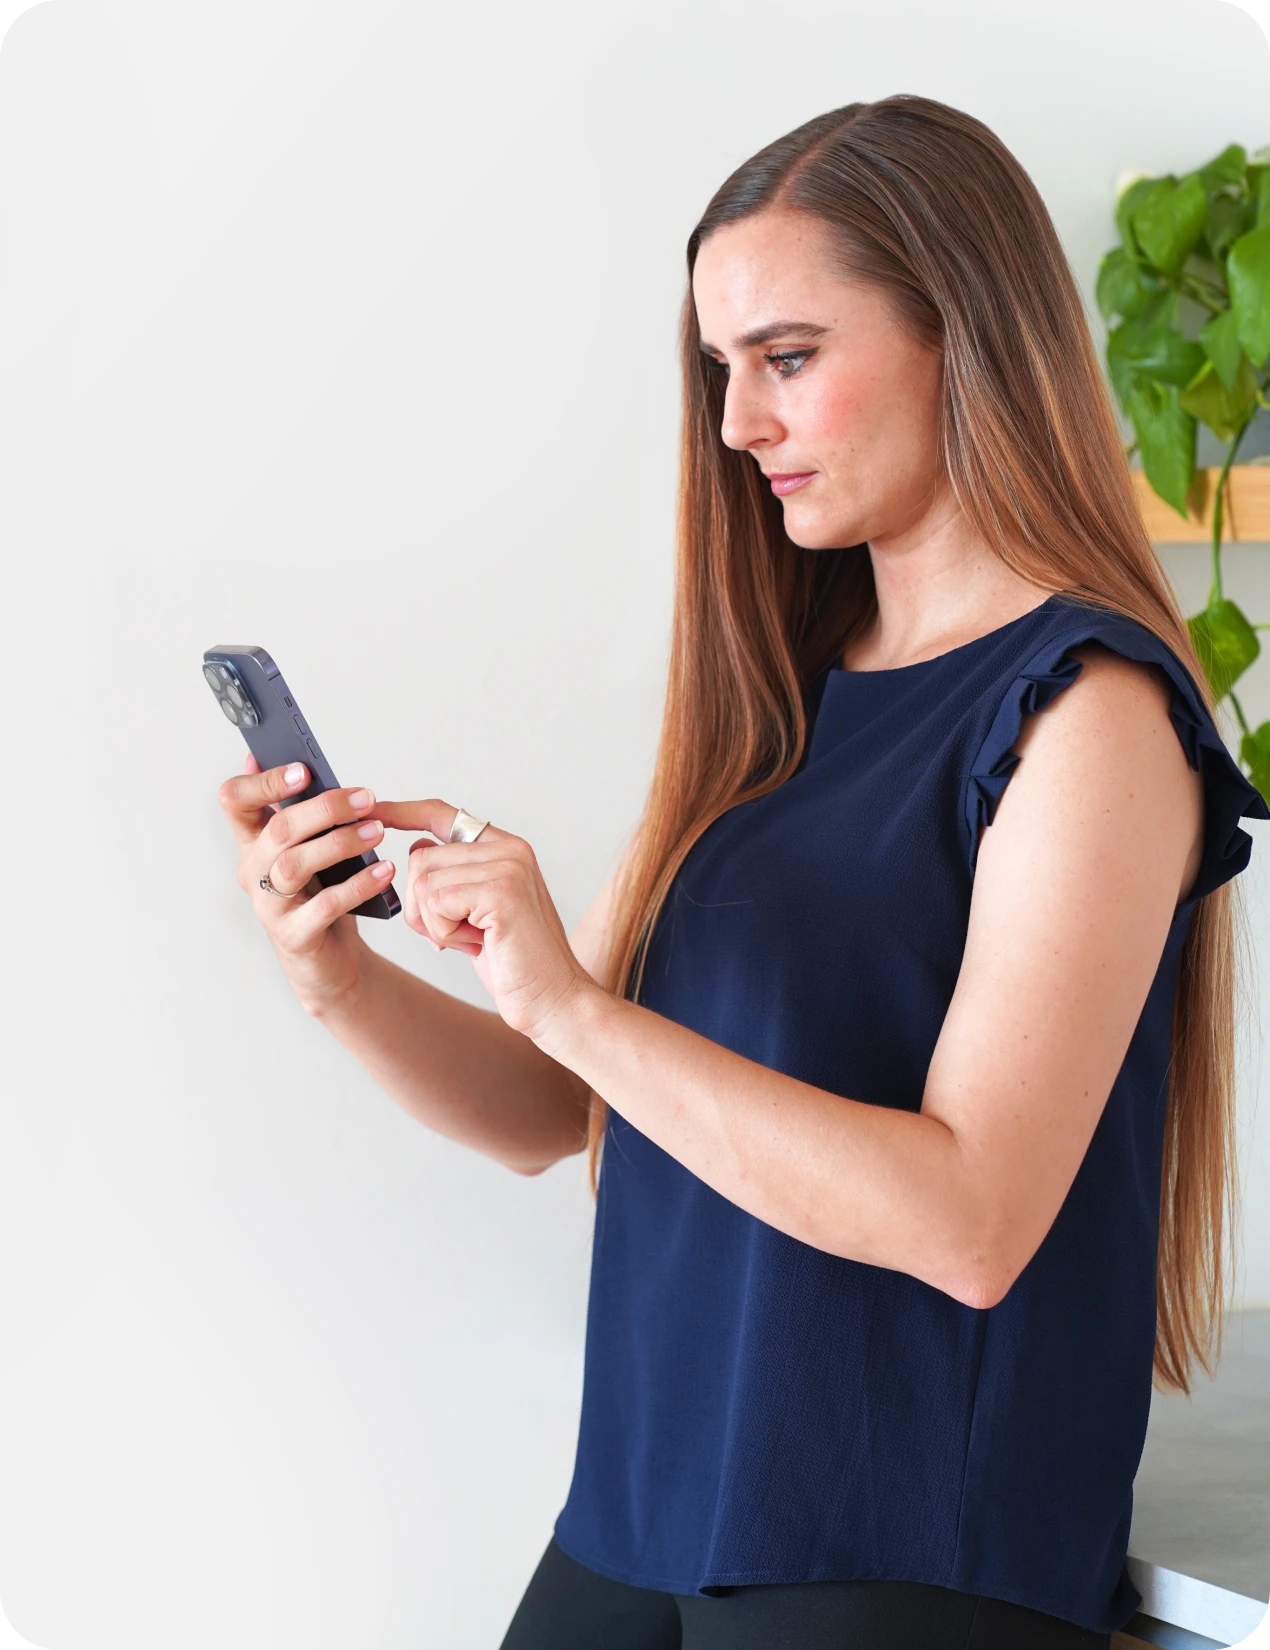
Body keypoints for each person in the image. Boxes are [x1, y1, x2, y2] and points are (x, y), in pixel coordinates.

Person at [215, 94, 1268, 1649]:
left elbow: (973, 1218)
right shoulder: (778, 691)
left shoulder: (1088, 709)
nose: (735, 425)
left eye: (786, 359)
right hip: (646, 1501)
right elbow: (560, 1115)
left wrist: (573, 1005)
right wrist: (340, 975)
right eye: (720, 371)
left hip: (899, 1535)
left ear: (960, 337)